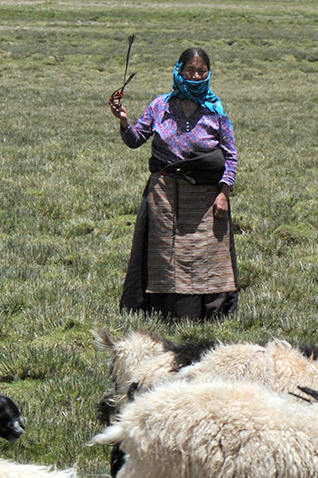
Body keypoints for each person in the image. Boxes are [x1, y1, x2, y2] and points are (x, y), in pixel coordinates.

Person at [110, 47, 239, 321]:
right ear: (178, 71)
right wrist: (124, 122)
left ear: (209, 73)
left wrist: (224, 193)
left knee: (204, 256)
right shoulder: (160, 106)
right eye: (189, 70)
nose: (194, 76)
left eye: (201, 71)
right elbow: (135, 140)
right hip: (164, 196)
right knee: (165, 257)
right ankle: (163, 311)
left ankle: (210, 314)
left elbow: (231, 155)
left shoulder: (215, 111)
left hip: (205, 199)